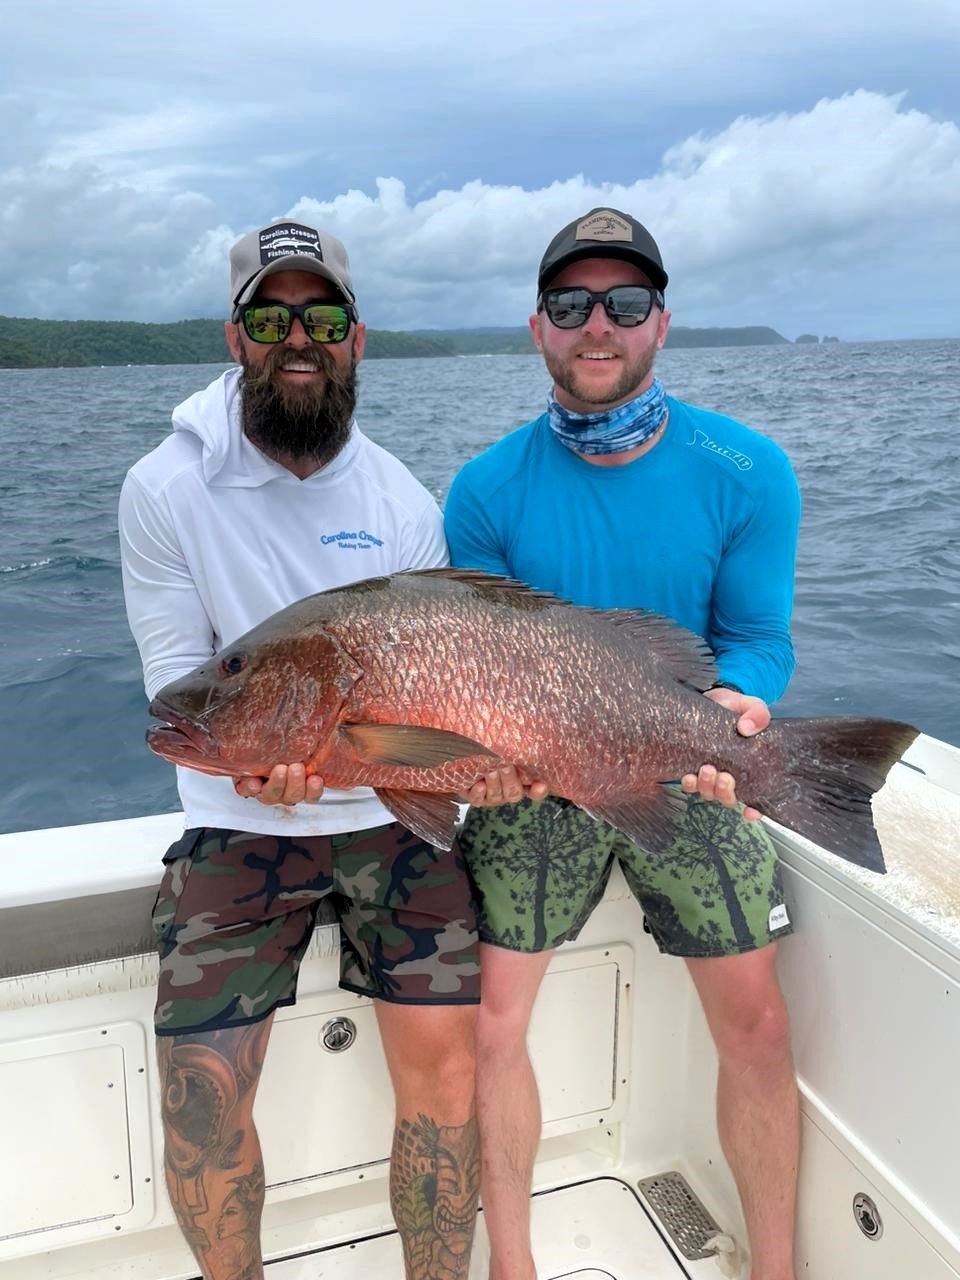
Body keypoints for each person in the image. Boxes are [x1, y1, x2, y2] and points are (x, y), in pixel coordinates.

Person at [444, 207, 802, 1280]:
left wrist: (738, 705)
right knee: (491, 1021)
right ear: (537, 327)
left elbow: (755, 638)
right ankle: (514, 1264)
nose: (597, 324)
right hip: (535, 781)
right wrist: (490, 755)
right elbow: (478, 665)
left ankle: (777, 1267)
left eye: (625, 302)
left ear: (662, 322)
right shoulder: (485, 490)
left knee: (760, 1022)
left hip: (685, 763)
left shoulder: (747, 467)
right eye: (570, 304)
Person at [119, 220, 481, 1280]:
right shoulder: (164, 488)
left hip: (390, 804)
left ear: (356, 338)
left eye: (320, 316)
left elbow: (442, 700)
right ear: (235, 337)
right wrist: (256, 753)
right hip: (238, 815)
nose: (298, 337)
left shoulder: (401, 500)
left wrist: (473, 765)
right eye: (271, 317)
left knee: (448, 1073)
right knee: (199, 1093)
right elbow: (178, 679)